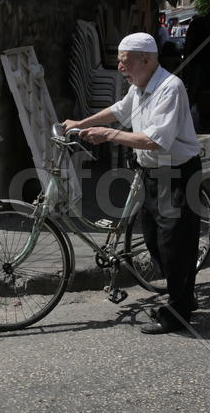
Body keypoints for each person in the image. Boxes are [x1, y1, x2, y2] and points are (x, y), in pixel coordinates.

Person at [62, 32, 202, 334]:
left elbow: (155, 140)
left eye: (125, 63)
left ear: (146, 60)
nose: (121, 69)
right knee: (153, 239)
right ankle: (184, 293)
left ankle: (178, 313)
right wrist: (81, 123)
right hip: (150, 172)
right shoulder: (138, 87)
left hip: (176, 174)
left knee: (174, 245)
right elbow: (119, 111)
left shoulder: (169, 88)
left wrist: (108, 134)